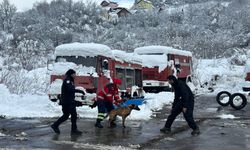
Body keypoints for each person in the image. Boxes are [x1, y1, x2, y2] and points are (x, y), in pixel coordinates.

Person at [51, 69, 85, 135]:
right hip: (66, 102)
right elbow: (70, 89)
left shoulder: (70, 80)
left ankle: (74, 130)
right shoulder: (68, 80)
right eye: (74, 74)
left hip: (70, 101)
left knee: (73, 115)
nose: (75, 75)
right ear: (71, 74)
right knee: (66, 115)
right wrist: (79, 91)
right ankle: (55, 125)